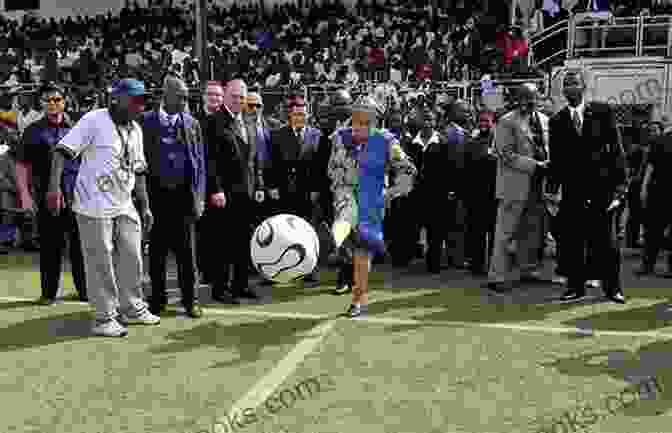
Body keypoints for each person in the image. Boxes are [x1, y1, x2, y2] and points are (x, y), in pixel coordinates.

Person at [50, 78, 160, 337]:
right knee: (100, 263)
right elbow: (61, 152)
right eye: (135, 101)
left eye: (142, 101)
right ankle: (104, 317)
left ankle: (132, 308)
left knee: (132, 257)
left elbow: (140, 170)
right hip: (93, 204)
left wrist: (144, 205)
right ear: (117, 99)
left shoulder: (136, 130)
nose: (140, 106)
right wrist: (53, 189)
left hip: (124, 203)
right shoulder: (93, 120)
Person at [328, 96, 416, 318]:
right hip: (344, 199)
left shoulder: (386, 141)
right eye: (357, 117)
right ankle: (346, 271)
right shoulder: (339, 137)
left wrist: (392, 193)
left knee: (362, 253)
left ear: (376, 120)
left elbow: (407, 170)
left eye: (367, 119)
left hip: (370, 202)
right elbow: (331, 169)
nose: (361, 124)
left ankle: (358, 299)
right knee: (345, 249)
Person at [548, 70, 627, 303]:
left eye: (574, 83)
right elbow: (557, 160)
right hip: (574, 191)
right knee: (573, 242)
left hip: (602, 189)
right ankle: (575, 287)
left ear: (584, 87)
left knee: (608, 242)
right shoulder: (557, 121)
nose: (570, 88)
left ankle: (613, 288)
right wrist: (552, 191)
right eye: (566, 84)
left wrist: (620, 187)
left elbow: (616, 150)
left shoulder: (603, 112)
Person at [14, 82, 87, 304]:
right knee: (49, 246)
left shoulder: (77, 128)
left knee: (79, 246)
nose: (53, 104)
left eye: (57, 100)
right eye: (48, 101)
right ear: (42, 104)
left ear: (64, 102)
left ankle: (84, 291)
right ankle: (48, 293)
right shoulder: (33, 131)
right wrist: (25, 196)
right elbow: (21, 165)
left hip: (77, 196)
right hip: (47, 196)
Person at [141, 75, 206, 318]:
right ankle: (157, 300)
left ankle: (191, 301)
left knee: (187, 254)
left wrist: (199, 197)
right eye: (180, 97)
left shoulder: (192, 123)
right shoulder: (146, 122)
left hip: (183, 198)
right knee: (156, 253)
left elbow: (200, 164)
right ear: (166, 95)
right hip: (156, 197)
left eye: (186, 97)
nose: (184, 101)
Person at [488, 83, 550, 294]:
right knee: (505, 233)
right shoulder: (506, 121)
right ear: (517, 99)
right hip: (514, 185)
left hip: (537, 186)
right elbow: (505, 154)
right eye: (523, 97)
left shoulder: (544, 120)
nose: (528, 102)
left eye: (532, 97)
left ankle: (527, 270)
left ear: (538, 98)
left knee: (531, 232)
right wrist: (535, 165)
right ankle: (496, 276)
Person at [205, 79, 263, 304]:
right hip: (225, 194)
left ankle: (241, 285)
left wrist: (258, 185)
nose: (238, 101)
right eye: (234, 96)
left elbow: (254, 159)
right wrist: (216, 189)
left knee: (243, 241)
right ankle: (220, 289)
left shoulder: (249, 121)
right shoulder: (214, 122)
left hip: (247, 193)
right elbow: (210, 161)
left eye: (242, 97)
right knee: (224, 243)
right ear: (226, 96)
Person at [267, 94, 323, 286]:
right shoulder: (277, 134)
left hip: (307, 192)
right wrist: (272, 186)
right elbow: (271, 163)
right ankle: (280, 270)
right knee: (283, 232)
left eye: (303, 114)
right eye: (297, 114)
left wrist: (316, 188)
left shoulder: (316, 135)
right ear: (290, 116)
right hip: (284, 191)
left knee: (307, 232)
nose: (301, 117)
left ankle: (308, 270)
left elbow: (319, 166)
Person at [196, 80, 224, 284]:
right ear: (204, 96)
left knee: (220, 232)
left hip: (224, 186)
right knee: (203, 232)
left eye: (218, 95)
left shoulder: (227, 120)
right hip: (200, 186)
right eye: (211, 94)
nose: (215, 98)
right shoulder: (194, 121)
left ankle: (219, 272)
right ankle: (206, 272)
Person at [464, 109, 498, 276]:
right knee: (476, 232)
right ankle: (476, 265)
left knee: (494, 234)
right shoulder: (472, 142)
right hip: (476, 195)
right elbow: (467, 168)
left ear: (493, 122)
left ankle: (493, 265)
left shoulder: (499, 142)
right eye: (481, 121)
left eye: (487, 121)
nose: (484, 124)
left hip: (494, 195)